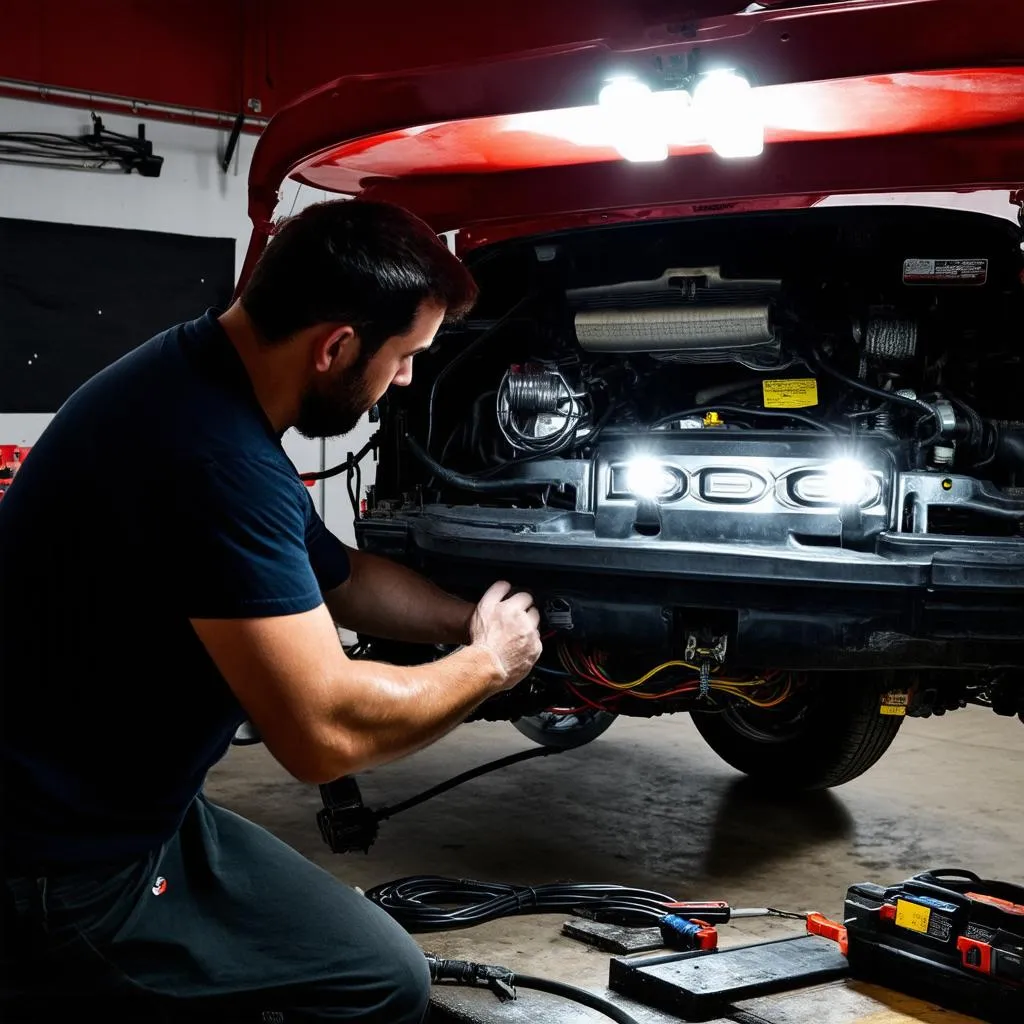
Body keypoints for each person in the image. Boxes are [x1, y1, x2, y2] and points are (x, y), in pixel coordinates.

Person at [0, 199, 543, 1023]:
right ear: (336, 347)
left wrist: (469, 618)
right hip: (64, 872)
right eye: (404, 356)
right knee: (381, 982)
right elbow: (323, 734)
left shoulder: (192, 379)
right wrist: (489, 666)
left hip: (125, 815)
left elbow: (338, 578)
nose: (406, 381)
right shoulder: (213, 455)